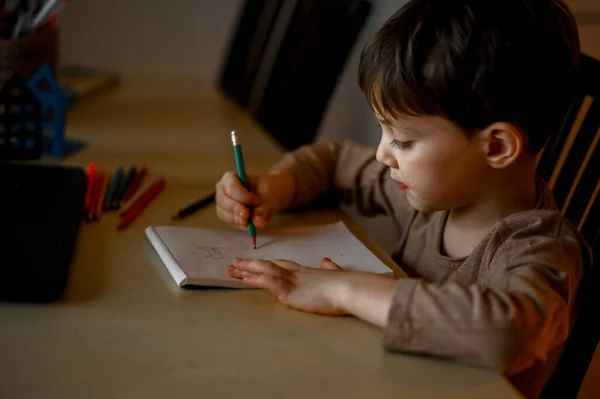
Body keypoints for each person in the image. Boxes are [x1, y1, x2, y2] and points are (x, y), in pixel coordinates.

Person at [215, 0, 591, 397]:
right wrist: (278, 185)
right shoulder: (432, 198)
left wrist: (345, 289)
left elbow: (506, 334)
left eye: (404, 140)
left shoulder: (542, 249)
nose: (382, 154)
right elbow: (335, 161)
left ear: (495, 146)